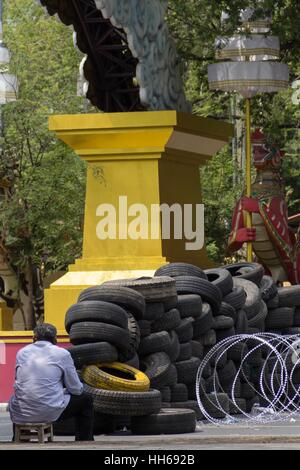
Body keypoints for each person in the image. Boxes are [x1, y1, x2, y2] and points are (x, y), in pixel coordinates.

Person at [9, 323, 94, 441]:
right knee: (86, 400)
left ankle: (19, 440)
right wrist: (63, 391)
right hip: (50, 411)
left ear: (34, 338)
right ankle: (84, 441)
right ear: (55, 339)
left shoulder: (21, 353)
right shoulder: (62, 354)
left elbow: (19, 383)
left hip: (22, 412)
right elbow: (75, 389)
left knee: (20, 398)